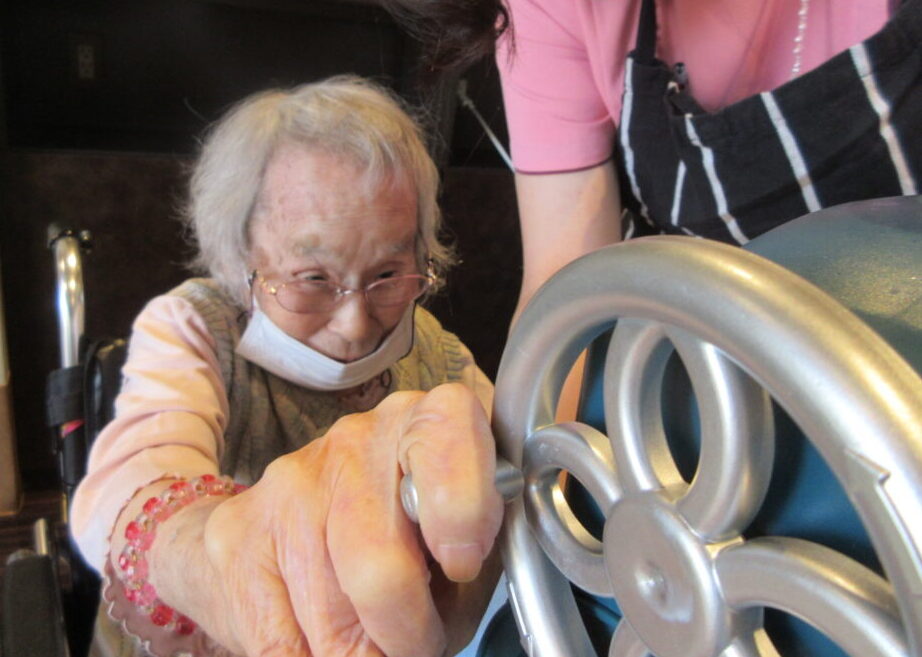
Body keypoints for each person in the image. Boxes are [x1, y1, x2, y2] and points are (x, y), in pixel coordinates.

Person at [69, 75, 504, 657]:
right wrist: (208, 560)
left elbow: (508, 459)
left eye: (386, 276)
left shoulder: (433, 348)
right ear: (241, 255)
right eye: (313, 280)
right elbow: (129, 479)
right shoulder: (197, 328)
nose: (354, 324)